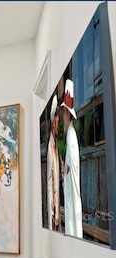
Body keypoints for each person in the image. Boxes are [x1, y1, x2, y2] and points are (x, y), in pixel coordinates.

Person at [60, 79, 83, 237]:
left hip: (71, 191)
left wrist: (65, 170)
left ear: (67, 113)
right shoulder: (70, 135)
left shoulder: (71, 136)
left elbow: (72, 167)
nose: (62, 118)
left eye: (63, 114)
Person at [46, 95, 60, 231]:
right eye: (56, 124)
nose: (58, 127)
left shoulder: (56, 145)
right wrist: (52, 211)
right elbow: (50, 183)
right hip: (53, 207)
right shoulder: (50, 148)